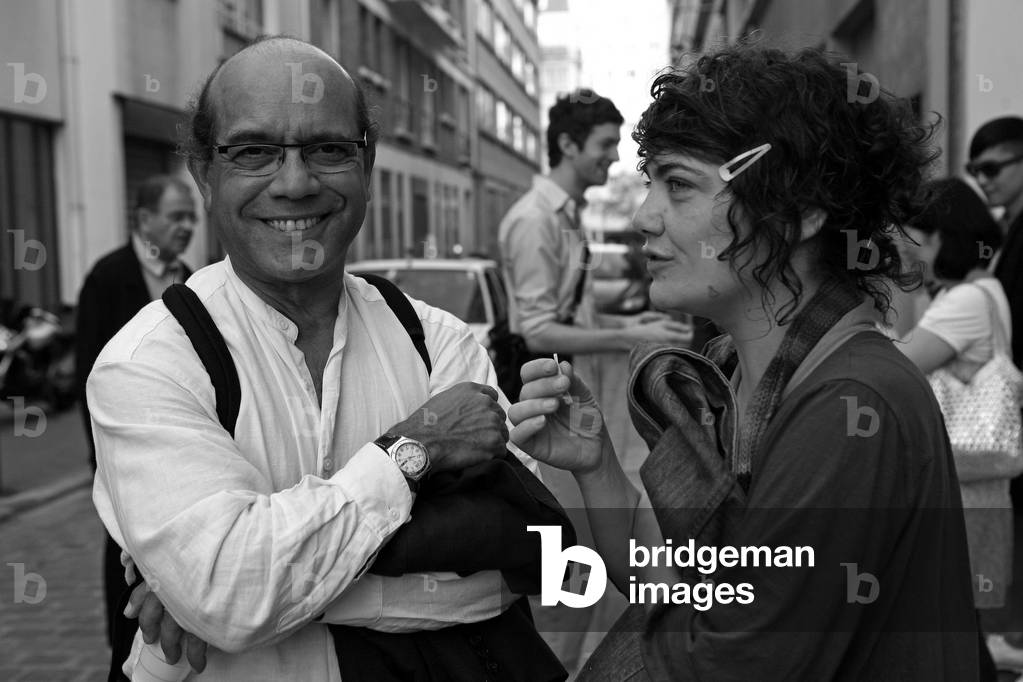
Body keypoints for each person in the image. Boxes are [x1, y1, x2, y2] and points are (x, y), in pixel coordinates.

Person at [89, 37, 564, 681]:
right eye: (253, 151)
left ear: (366, 166)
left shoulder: (439, 341)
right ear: (205, 174)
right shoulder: (148, 364)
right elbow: (230, 595)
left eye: (328, 149)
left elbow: (513, 565)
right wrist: (414, 449)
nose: (295, 183)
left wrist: (219, 586)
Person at [509, 44, 979, 681]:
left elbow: (726, 664)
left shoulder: (847, 407)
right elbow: (674, 590)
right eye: (651, 184)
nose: (644, 216)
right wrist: (597, 467)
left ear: (798, 210)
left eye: (678, 185)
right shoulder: (739, 379)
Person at [497, 88, 692, 401]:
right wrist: (629, 336)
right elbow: (537, 333)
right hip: (543, 400)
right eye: (606, 144)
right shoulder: (535, 219)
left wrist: (629, 322)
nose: (615, 156)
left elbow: (570, 316)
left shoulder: (566, 213)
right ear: (567, 145)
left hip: (563, 393)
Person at [75, 174, 196, 649]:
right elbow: (90, 376)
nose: (186, 226)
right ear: (145, 220)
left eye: (191, 217)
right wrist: (103, 461)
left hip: (186, 451)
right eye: (175, 217)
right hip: (126, 456)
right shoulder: (108, 278)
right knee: (128, 568)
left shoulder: (191, 276)